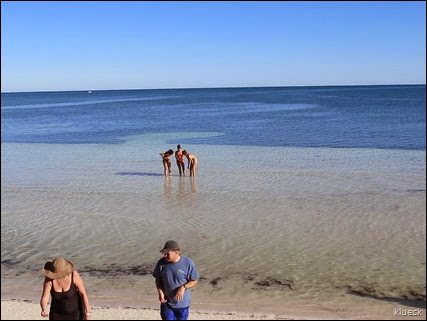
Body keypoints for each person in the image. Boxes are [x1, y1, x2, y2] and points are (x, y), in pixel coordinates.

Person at [153, 240, 200, 320]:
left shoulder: (188, 263)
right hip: (166, 302)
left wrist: (183, 287)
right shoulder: (161, 263)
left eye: (167, 253)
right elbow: (158, 279)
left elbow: (194, 281)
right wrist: (160, 292)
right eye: (164, 253)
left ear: (176, 252)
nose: (165, 255)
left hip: (182, 304)